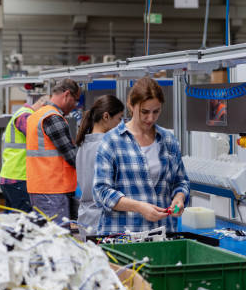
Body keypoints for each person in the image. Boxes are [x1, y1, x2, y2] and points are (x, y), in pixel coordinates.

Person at [93, 77, 189, 234]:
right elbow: (101, 192)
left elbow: (181, 181)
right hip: (124, 235)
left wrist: (179, 198)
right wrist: (139, 207)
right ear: (131, 105)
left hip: (163, 234)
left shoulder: (168, 140)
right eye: (144, 111)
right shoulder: (112, 141)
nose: (150, 118)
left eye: (156, 111)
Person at [26, 79, 81, 223]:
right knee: (57, 238)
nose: (75, 106)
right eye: (75, 101)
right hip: (53, 190)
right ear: (67, 95)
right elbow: (72, 157)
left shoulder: (37, 115)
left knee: (46, 237)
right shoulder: (53, 118)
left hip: (40, 188)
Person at [75, 94, 124, 238]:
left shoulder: (83, 145)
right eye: (119, 119)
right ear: (106, 116)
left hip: (86, 218)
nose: (121, 124)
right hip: (103, 221)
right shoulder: (106, 147)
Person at [0, 95, 49, 212]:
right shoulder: (25, 117)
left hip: (11, 176)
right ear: (43, 107)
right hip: (18, 177)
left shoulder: (22, 113)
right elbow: (40, 141)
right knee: (24, 220)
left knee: (12, 221)